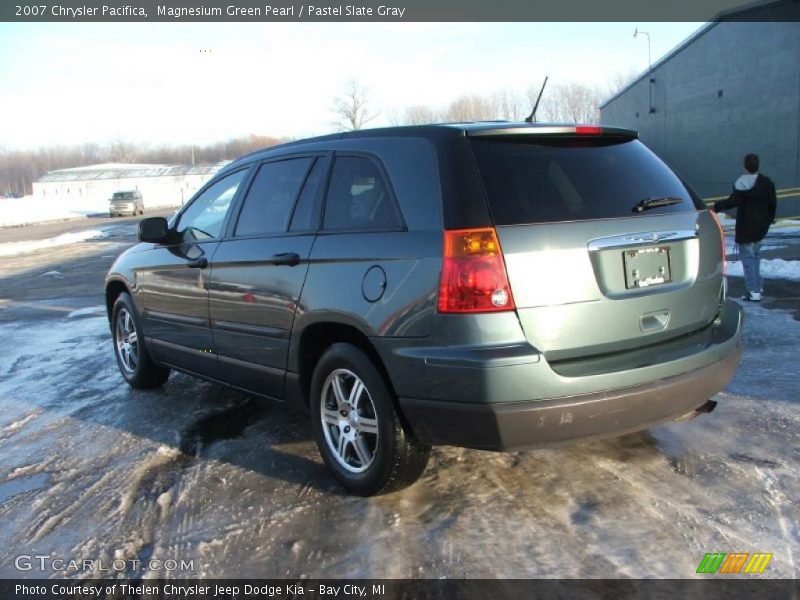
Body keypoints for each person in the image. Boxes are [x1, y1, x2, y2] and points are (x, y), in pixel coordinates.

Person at [713, 154, 777, 302]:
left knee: (748, 260)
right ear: (758, 165)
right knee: (756, 258)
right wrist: (767, 221)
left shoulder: (740, 183)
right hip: (760, 228)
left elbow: (732, 201)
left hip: (745, 228)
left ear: (745, 166)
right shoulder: (767, 183)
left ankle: (753, 291)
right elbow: (772, 205)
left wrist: (716, 207)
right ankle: (758, 286)